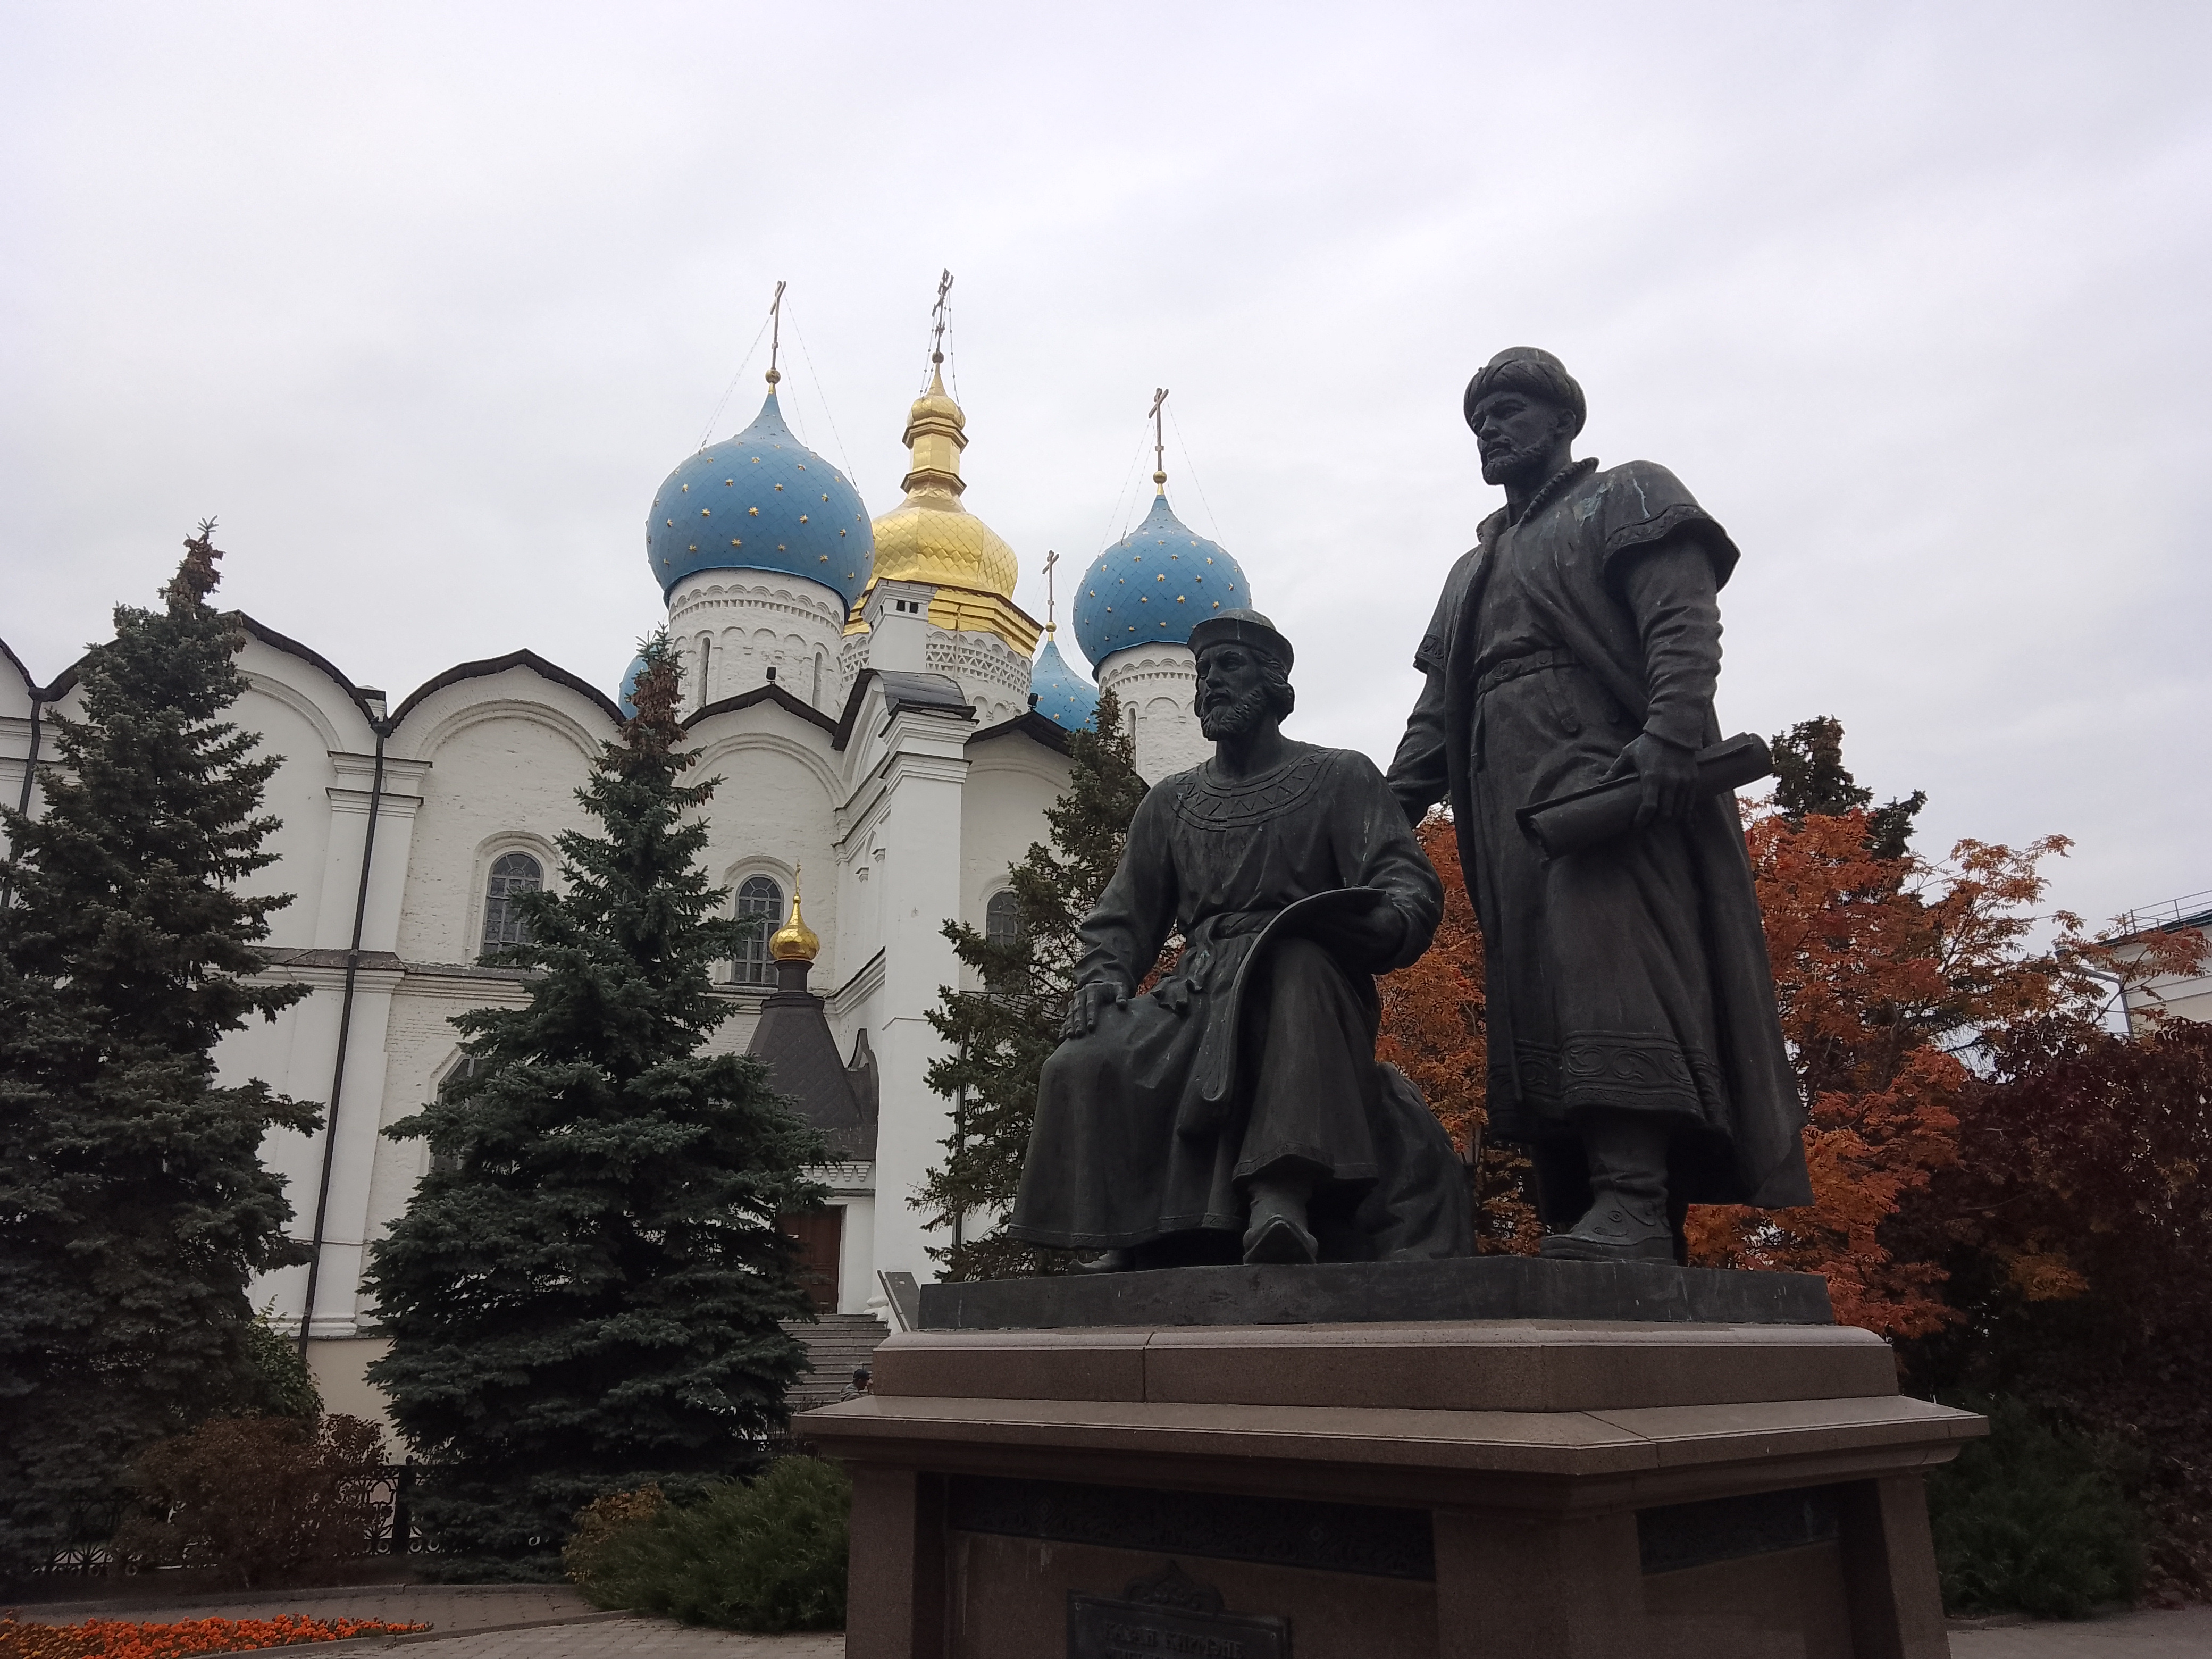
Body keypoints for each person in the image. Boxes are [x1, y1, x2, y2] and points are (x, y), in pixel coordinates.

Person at [1386, 348, 1812, 1263]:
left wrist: (1668, 738)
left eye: (1508, 410)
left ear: (1563, 419)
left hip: (1606, 777)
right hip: (1504, 804)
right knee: (1534, 993)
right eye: (1478, 420)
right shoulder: (1470, 570)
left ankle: (1635, 1197)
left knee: (1610, 968)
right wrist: (1384, 811)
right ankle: (1579, 1202)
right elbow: (1436, 714)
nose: (1490, 430)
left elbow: (1682, 620)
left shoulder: (1627, 493)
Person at [1007, 610, 1469, 1269]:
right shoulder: (1170, 803)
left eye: (1229, 666)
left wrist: (1385, 922)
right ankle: (1126, 1228)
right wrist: (1101, 978)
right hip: (1199, 990)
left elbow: (1405, 882)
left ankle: (1281, 1198)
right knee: (1084, 1056)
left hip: (1312, 978)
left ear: (1273, 683)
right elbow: (1122, 917)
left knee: (1293, 966)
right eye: (1202, 673)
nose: (1210, 684)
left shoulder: (1339, 776)